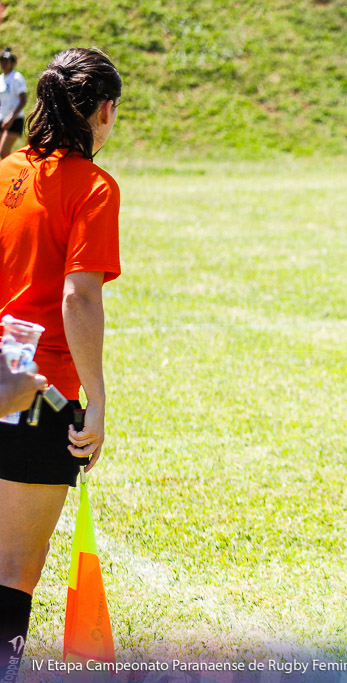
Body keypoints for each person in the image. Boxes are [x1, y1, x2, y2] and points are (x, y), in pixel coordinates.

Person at [0, 48, 122, 677]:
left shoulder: (6, 171)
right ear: (104, 111)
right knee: (14, 570)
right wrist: (95, 401)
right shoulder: (96, 188)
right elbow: (79, 294)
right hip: (39, 397)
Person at [0, 48, 28, 159]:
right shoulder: (1, 78)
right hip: (2, 119)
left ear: (12, 63)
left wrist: (11, 117)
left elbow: (23, 99)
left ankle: (15, 170)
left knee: (3, 151)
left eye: (6, 61)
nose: (3, 63)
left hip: (14, 119)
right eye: (2, 61)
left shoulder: (16, 77)